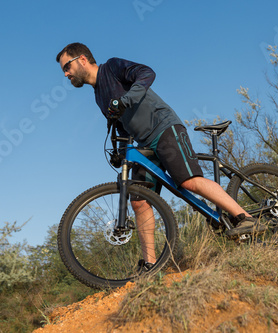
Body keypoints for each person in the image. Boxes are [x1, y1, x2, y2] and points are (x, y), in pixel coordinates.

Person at [56, 42, 266, 270]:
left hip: (164, 127)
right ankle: (150, 265)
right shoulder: (99, 95)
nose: (66, 74)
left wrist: (128, 99)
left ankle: (245, 218)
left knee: (187, 181)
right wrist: (119, 151)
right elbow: (121, 123)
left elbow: (146, 73)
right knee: (139, 201)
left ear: (82, 59)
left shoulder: (112, 67)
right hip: (143, 142)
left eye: (67, 66)